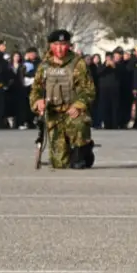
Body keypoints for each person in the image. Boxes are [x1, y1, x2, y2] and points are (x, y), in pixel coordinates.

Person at [29, 29, 96, 169]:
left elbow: (89, 90)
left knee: (78, 161)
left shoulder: (78, 64)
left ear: (69, 45)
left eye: (63, 44)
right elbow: (36, 89)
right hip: (53, 114)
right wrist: (37, 102)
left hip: (72, 113)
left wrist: (79, 105)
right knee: (59, 163)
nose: (60, 48)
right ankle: (70, 151)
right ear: (50, 45)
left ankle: (84, 149)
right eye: (56, 45)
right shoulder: (44, 66)